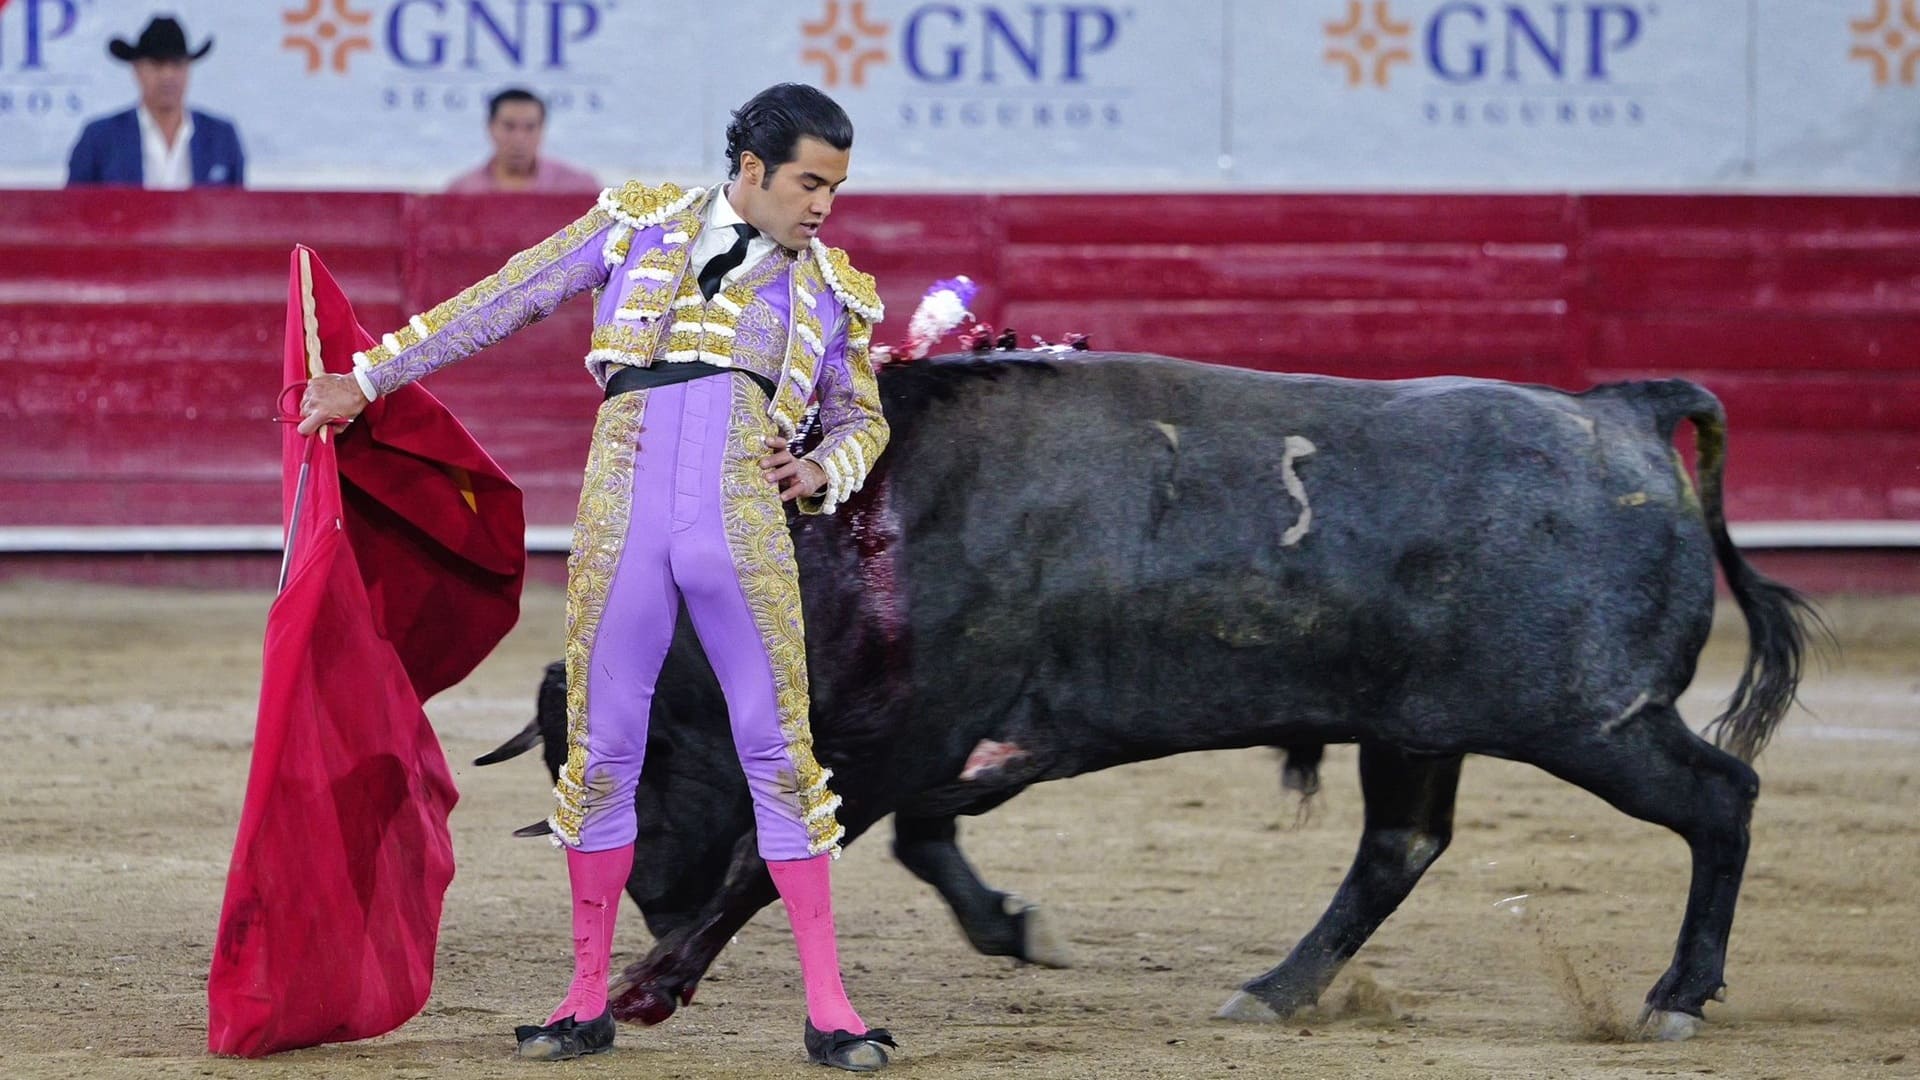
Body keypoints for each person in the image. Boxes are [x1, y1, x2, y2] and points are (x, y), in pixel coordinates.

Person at [298, 83, 894, 1070]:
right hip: (623, 521)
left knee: (780, 753)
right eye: (809, 183)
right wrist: (366, 379)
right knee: (603, 750)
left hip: (743, 525)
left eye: (835, 187)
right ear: (752, 169)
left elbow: (860, 418)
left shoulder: (835, 290)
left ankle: (831, 1009)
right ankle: (583, 1001)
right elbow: (505, 298)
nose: (823, 205)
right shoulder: (636, 223)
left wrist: (822, 466)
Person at [66, 16, 244, 188]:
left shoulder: (221, 137)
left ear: (188, 69)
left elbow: (240, 205)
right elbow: (73, 205)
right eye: (156, 65)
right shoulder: (100, 138)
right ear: (137, 70)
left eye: (177, 64)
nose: (167, 75)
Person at [446, 88, 600, 194]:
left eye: (530, 127)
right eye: (509, 127)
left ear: (542, 129)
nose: (519, 138)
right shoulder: (463, 191)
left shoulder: (578, 186)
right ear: (490, 127)